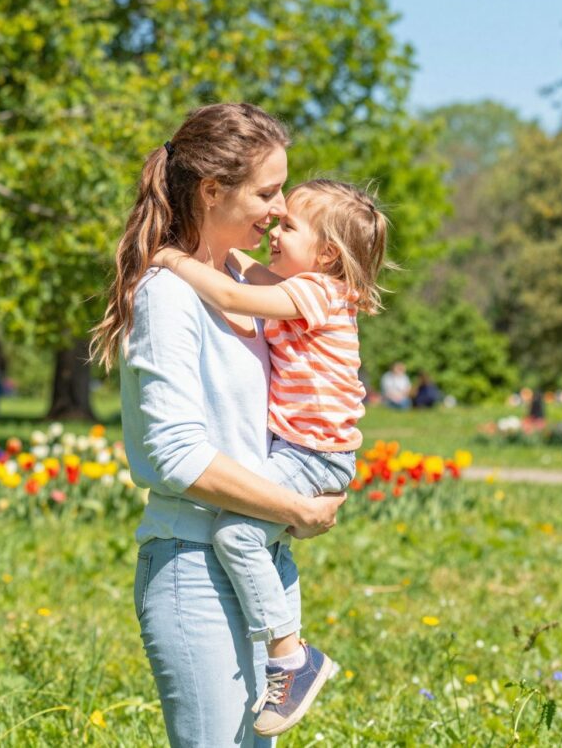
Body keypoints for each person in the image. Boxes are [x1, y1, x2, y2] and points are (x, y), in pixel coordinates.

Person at [90, 104, 345, 748]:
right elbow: (175, 457)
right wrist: (295, 506)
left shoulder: (244, 282)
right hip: (195, 566)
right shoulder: (170, 290)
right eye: (266, 191)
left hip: (259, 556)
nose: (280, 208)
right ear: (212, 190)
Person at [154, 178, 389, 737]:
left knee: (237, 534)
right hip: (309, 451)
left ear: (328, 253)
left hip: (314, 454)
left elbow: (235, 294)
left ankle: (291, 655)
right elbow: (244, 272)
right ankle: (286, 652)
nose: (275, 230)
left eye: (288, 226)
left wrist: (170, 259)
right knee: (258, 536)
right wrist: (216, 244)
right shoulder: (308, 287)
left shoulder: (316, 291)